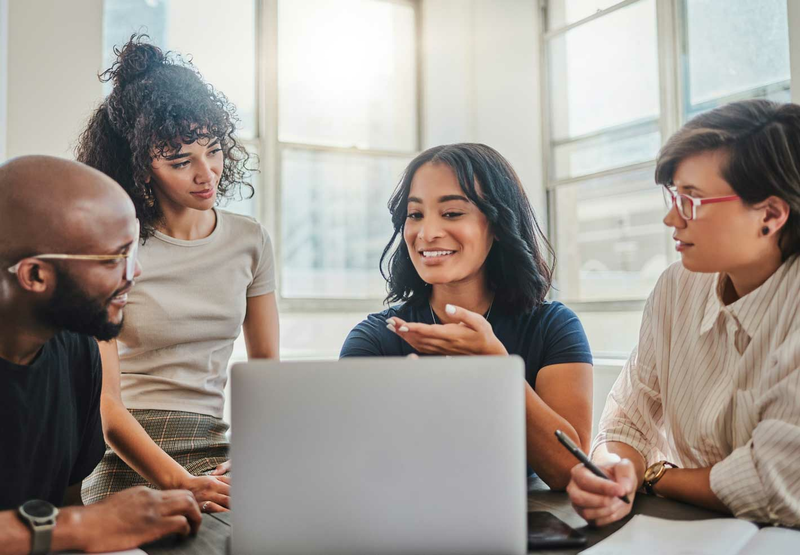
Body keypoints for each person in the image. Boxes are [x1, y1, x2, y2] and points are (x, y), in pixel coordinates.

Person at [566, 99, 800, 527]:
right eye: (674, 195)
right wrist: (617, 472)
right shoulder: (677, 287)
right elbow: (625, 423)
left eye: (691, 199)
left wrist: (655, 477)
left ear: (770, 215)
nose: (670, 217)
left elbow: (774, 484)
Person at [75, 35, 279, 512]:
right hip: (127, 456)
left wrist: (258, 453)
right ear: (140, 165)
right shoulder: (114, 249)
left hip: (216, 449)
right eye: (180, 161)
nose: (206, 173)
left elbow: (266, 368)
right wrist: (181, 482)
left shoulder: (250, 241)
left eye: (213, 149)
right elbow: (107, 409)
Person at [340, 143, 594, 489]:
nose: (427, 233)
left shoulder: (553, 327)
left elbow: (572, 471)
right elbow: (355, 468)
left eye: (452, 213)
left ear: (498, 224)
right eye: (415, 215)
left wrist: (497, 368)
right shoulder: (375, 338)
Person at [0, 155, 201, 554]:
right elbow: (72, 523)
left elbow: (67, 508)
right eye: (114, 258)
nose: (135, 272)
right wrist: (79, 525)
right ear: (36, 275)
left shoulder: (77, 352)